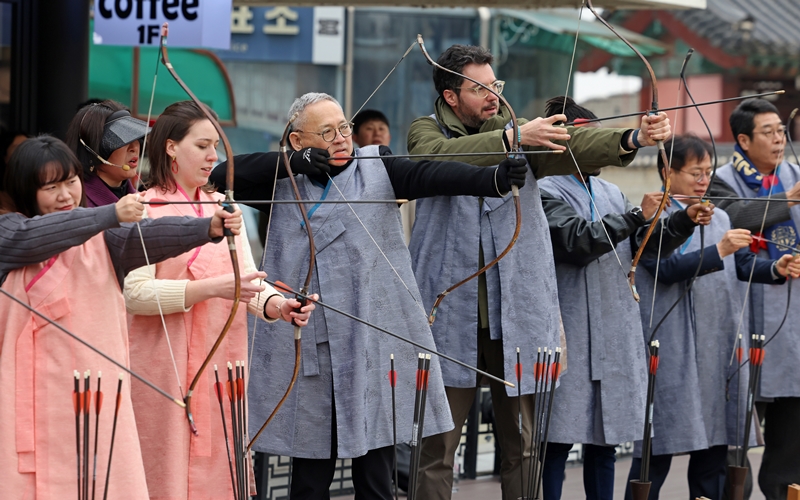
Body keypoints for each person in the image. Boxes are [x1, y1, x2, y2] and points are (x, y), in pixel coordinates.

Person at [209, 91, 529, 500]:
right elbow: (220, 175)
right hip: (309, 345)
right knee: (309, 480)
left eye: (344, 127)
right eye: (326, 132)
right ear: (297, 141)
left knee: (376, 480)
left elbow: (431, 175)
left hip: (370, 346)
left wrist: (493, 179)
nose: (342, 138)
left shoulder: (377, 165)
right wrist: (293, 164)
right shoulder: (279, 180)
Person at [406, 44, 671, 500]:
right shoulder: (425, 131)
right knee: (436, 448)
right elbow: (433, 159)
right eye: (480, 88)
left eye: (496, 85)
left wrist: (632, 139)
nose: (493, 95)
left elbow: (575, 143)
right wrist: (512, 140)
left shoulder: (517, 130)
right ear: (451, 96)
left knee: (524, 446)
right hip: (449, 317)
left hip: (516, 318)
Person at [0, 135, 243, 498]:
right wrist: (109, 213)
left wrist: (205, 228)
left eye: (71, 181)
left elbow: (144, 237)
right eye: (52, 187)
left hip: (94, 399)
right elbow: (37, 237)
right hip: (30, 403)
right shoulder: (10, 231)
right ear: (26, 191)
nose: (66, 195)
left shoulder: (104, 238)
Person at [123, 100, 316, 500]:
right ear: (171, 147)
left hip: (219, 366)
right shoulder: (145, 208)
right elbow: (135, 293)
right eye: (202, 145)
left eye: (216, 146)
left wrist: (280, 306)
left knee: (220, 474)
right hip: (163, 368)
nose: (214, 156)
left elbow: (248, 280)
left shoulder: (224, 208)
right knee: (163, 473)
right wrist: (212, 289)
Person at [538, 98, 712, 500]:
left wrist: (682, 221)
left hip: (613, 332)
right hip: (571, 332)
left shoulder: (610, 190)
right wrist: (637, 216)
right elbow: (577, 241)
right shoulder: (544, 189)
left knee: (604, 446)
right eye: (593, 141)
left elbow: (644, 250)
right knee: (556, 446)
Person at [625, 134, 800, 500]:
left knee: (714, 453)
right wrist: (720, 249)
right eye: (694, 173)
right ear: (666, 171)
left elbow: (742, 264)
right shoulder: (651, 216)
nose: (704, 180)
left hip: (716, 347)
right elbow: (664, 268)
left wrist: (776, 268)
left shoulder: (718, 214)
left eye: (707, 172)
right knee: (655, 455)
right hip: (671, 347)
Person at [708, 98, 800, 500]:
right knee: (735, 436)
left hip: (792, 327)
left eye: (781, 131)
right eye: (768, 132)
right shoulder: (718, 180)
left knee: (791, 437)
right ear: (743, 140)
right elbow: (735, 217)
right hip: (739, 326)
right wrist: (788, 202)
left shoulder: (794, 175)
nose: (779, 139)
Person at [65, 100, 147, 207]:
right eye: (122, 140)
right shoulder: (74, 204)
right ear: (93, 149)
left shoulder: (143, 198)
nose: (134, 148)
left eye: (137, 138)